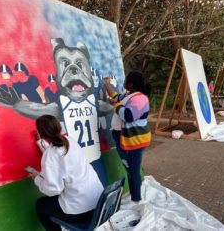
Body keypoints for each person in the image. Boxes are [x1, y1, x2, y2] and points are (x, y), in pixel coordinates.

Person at [32, 115, 104, 231]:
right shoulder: (70, 141)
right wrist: (42, 142)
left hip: (82, 211)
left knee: (40, 206)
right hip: (99, 204)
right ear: (59, 127)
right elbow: (58, 155)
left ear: (42, 133)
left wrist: (37, 179)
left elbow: (54, 190)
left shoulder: (50, 155)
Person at [103, 71, 151, 205]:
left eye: (126, 80)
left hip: (133, 141)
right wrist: (107, 85)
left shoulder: (140, 99)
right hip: (124, 139)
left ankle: (136, 200)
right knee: (130, 168)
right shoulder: (129, 95)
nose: (123, 82)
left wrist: (116, 105)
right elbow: (117, 96)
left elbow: (128, 115)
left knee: (133, 170)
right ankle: (134, 196)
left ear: (130, 84)